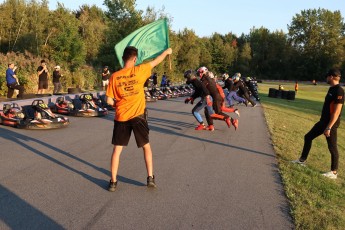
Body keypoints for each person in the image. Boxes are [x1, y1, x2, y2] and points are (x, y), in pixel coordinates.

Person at [106, 46, 172, 191]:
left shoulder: (114, 76)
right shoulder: (140, 70)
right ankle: (150, 178)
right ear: (135, 59)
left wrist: (118, 103)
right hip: (138, 116)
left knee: (117, 150)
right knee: (146, 147)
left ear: (123, 58)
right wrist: (166, 52)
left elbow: (109, 101)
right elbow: (156, 61)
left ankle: (113, 182)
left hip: (121, 116)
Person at [292, 68, 344, 179]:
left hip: (331, 124)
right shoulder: (331, 89)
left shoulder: (339, 90)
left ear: (331, 77)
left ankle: (333, 172)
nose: (326, 78)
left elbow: (337, 112)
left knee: (332, 147)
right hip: (323, 122)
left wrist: (329, 127)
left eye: (327, 76)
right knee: (308, 137)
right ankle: (302, 160)